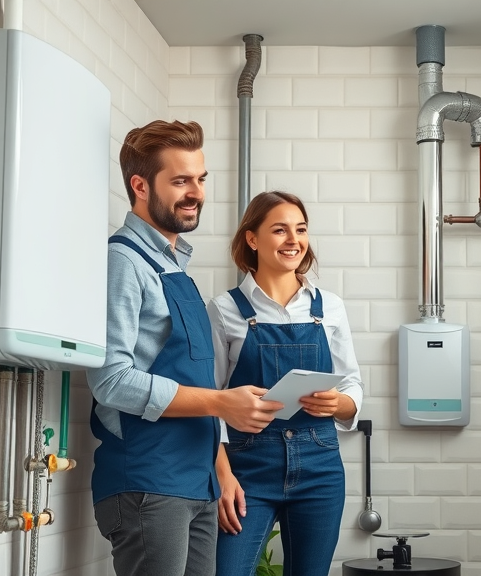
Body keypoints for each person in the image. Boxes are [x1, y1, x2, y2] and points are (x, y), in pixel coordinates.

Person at [86, 120, 282, 576]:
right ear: (139, 185)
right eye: (180, 181)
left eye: (200, 179)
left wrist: (223, 470)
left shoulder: (174, 266)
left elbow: (190, 381)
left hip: (197, 481)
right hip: (147, 483)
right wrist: (221, 402)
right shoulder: (124, 262)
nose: (196, 192)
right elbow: (110, 380)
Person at [208, 191, 364, 576]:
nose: (294, 240)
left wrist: (338, 404)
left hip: (319, 465)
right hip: (246, 468)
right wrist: (222, 476)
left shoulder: (329, 307)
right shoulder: (224, 309)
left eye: (301, 229)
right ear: (252, 239)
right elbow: (210, 402)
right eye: (280, 230)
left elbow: (353, 385)